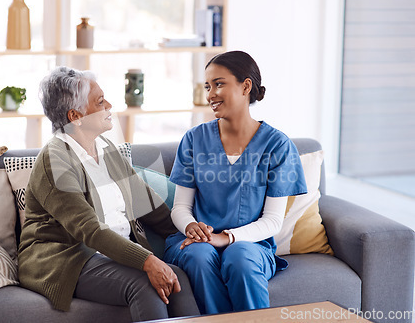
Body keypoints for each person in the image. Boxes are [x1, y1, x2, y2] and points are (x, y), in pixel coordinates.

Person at [18, 66, 199, 322]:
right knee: (145, 284)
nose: (110, 105)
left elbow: (147, 204)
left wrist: (191, 229)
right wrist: (147, 261)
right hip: (67, 258)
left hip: (105, 255)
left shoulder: (106, 149)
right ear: (76, 116)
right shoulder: (54, 160)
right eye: (100, 101)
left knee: (177, 276)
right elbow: (89, 230)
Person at [163, 51, 308, 315]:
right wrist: (192, 227)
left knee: (239, 257)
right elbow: (180, 207)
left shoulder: (277, 145)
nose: (210, 94)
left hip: (251, 245)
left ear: (245, 86)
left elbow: (273, 220)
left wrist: (227, 237)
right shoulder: (194, 139)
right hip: (199, 242)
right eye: (208, 86)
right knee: (199, 255)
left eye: (219, 84)